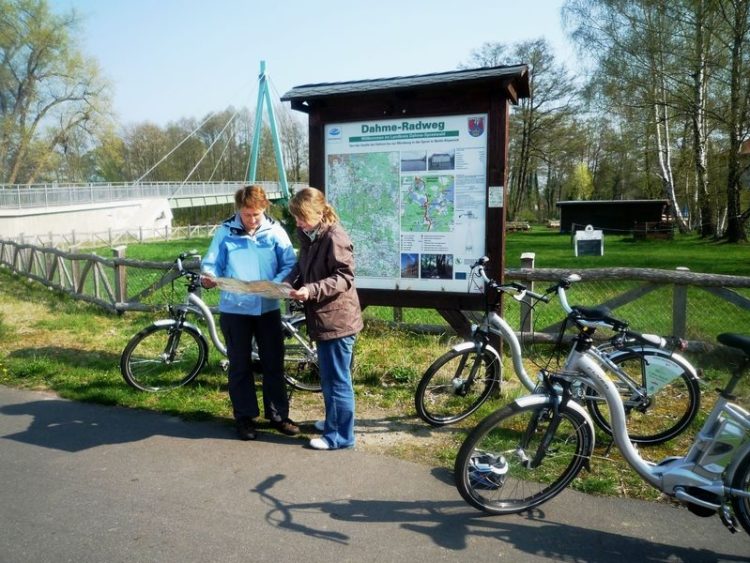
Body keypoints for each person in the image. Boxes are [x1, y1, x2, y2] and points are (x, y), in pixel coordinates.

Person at [201, 185, 300, 441]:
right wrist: (208, 277)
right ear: (239, 210)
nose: (252, 220)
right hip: (235, 308)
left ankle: (278, 416)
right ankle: (244, 418)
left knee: (273, 363)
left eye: (256, 214)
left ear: (264, 208)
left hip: (267, 307)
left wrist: (275, 285)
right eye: (247, 214)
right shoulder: (225, 231)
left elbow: (289, 263)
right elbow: (211, 263)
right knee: (239, 364)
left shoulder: (276, 231)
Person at [284, 186, 363, 450]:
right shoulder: (310, 234)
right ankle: (334, 421)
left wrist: (312, 290)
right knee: (329, 378)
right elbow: (301, 266)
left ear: (319, 213)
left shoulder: (334, 237)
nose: (298, 223)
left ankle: (340, 436)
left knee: (337, 380)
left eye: (302, 217)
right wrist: (287, 283)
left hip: (338, 321)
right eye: (296, 217)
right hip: (324, 318)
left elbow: (344, 277)